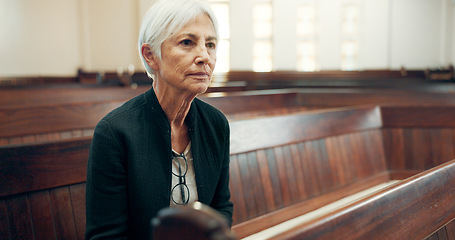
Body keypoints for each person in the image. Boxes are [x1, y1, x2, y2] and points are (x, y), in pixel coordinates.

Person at [85, 0, 233, 238]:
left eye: (211, 44)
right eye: (187, 42)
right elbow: (106, 235)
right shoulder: (115, 132)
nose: (204, 56)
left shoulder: (216, 124)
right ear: (151, 55)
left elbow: (221, 207)